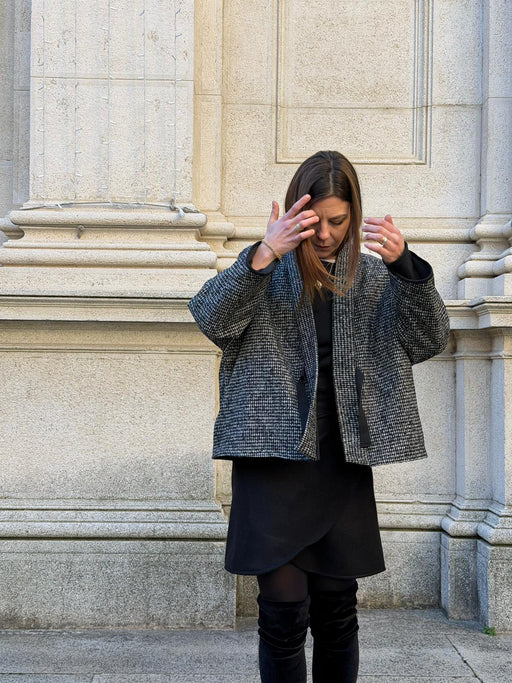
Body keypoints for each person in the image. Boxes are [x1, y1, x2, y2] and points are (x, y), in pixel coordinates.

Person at [189, 151, 450, 682]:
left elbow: (428, 340)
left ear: (355, 217)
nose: (326, 234)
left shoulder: (373, 278)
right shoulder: (266, 271)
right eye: (315, 221)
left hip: (341, 462)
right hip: (272, 460)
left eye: (338, 221)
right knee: (281, 616)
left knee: (336, 614)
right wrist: (263, 254)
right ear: (294, 212)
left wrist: (407, 268)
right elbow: (211, 320)